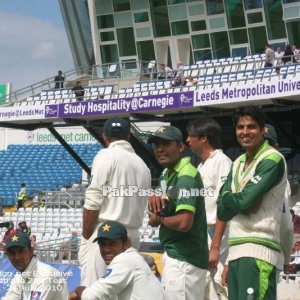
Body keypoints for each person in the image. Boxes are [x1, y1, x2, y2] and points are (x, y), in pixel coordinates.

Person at [217, 105, 288, 299]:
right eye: (240, 127)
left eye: (251, 126)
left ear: (262, 128)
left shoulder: (272, 159)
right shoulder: (238, 162)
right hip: (236, 251)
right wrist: (240, 200)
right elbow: (222, 210)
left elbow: (244, 202)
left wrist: (236, 199)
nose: (245, 132)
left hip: (260, 252)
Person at [79, 117, 151, 286]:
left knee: (93, 291)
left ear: (105, 137)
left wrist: (86, 237)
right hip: (131, 237)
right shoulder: (143, 165)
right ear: (128, 137)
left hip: (106, 235)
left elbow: (93, 199)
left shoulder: (106, 155)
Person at [147, 125, 208, 300]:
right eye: (156, 144)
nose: (159, 149)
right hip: (176, 255)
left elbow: (183, 222)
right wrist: (154, 202)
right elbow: (163, 205)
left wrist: (159, 219)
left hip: (186, 259)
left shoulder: (186, 177)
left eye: (165, 144)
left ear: (180, 147)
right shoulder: (167, 174)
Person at [186, 117, 232, 300]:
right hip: (202, 235)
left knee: (218, 290)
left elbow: (226, 204)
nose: (188, 140)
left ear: (204, 138)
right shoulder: (201, 166)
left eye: (191, 136)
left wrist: (215, 246)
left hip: (217, 237)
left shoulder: (222, 162)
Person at [69, 220, 165, 300]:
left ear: (127, 243)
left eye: (113, 243)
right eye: (102, 244)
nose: (106, 249)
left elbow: (91, 296)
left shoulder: (125, 259)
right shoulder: (132, 258)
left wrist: (78, 291)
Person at [264, 123, 294, 276]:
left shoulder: (238, 169)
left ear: (276, 147)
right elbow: (286, 226)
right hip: (267, 254)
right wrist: (287, 257)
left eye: (268, 144)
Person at [4, 231, 68, 299]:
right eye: (12, 253)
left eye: (21, 251)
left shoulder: (45, 275)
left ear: (31, 250)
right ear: (7, 255)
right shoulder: (21, 274)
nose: (17, 257)